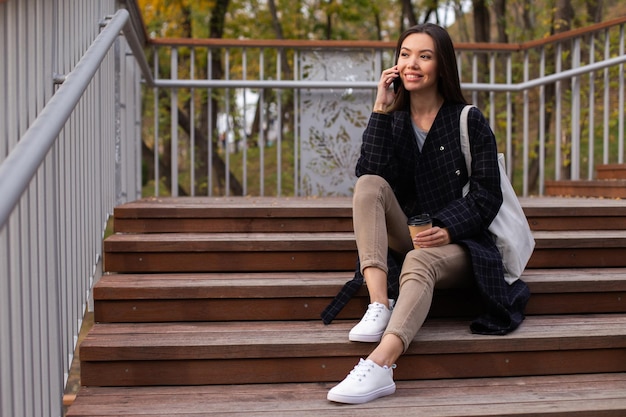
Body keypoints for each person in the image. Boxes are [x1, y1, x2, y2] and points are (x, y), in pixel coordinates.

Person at [326, 23, 530, 405]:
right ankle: (377, 305)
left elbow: (488, 194)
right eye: (405, 54)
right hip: (413, 231)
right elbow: (369, 170)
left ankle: (381, 365)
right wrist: (380, 111)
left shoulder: (468, 119)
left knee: (419, 260)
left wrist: (449, 228)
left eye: (424, 55)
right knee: (368, 185)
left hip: (463, 245)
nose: (411, 63)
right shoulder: (394, 120)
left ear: (442, 65)